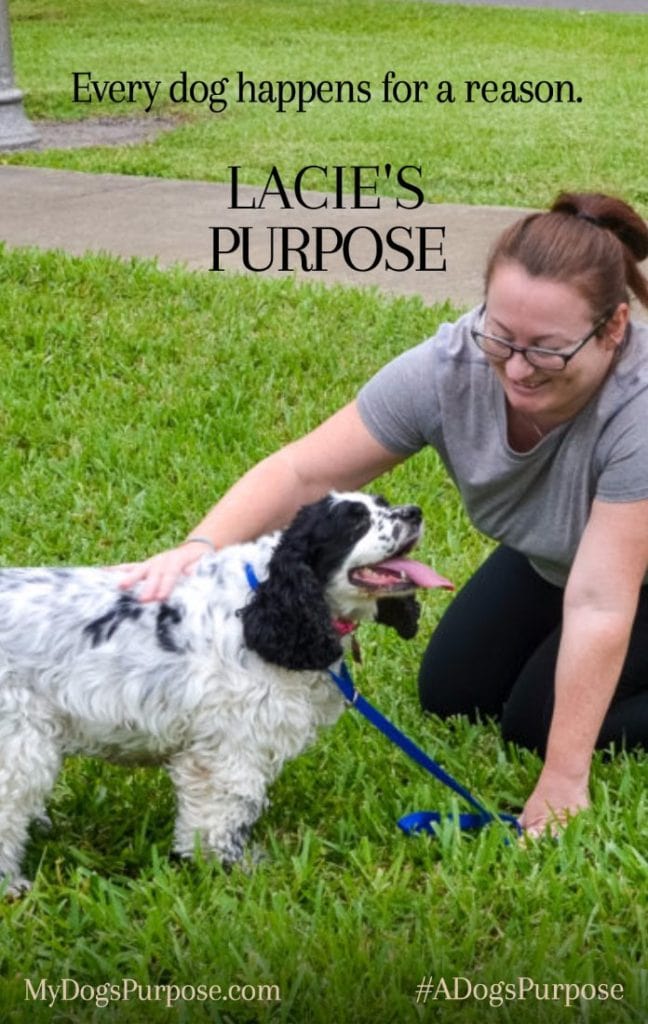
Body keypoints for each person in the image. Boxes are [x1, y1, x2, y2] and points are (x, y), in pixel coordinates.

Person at [119, 191, 648, 837]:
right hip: (556, 558)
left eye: (546, 349)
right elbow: (304, 471)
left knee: (538, 725)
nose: (515, 367)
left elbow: (600, 603)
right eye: (500, 335)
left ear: (614, 327)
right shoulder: (450, 365)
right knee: (455, 693)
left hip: (626, 577)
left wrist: (564, 781)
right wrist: (198, 548)